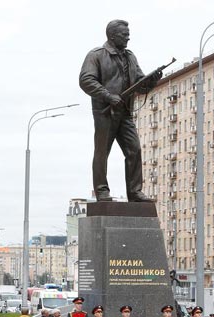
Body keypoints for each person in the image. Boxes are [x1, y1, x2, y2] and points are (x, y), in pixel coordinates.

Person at [79, 19, 160, 202]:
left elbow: (140, 83)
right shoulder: (96, 55)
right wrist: (108, 96)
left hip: (125, 113)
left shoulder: (130, 57)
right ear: (112, 35)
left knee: (135, 150)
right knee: (102, 152)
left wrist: (152, 80)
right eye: (125, 35)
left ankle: (135, 192)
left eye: (128, 34)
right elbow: (86, 80)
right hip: (105, 113)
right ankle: (101, 191)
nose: (128, 38)